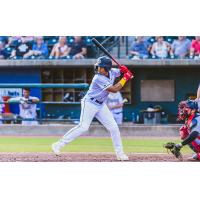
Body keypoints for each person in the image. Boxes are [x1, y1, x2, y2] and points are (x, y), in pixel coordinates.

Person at [52, 56, 133, 161]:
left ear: (107, 68)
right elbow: (114, 89)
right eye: (98, 66)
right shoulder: (98, 77)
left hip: (101, 105)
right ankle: (58, 144)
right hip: (90, 103)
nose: (98, 68)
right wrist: (125, 77)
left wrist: (124, 71)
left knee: (114, 128)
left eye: (101, 67)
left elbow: (121, 72)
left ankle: (120, 154)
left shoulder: (112, 71)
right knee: (83, 127)